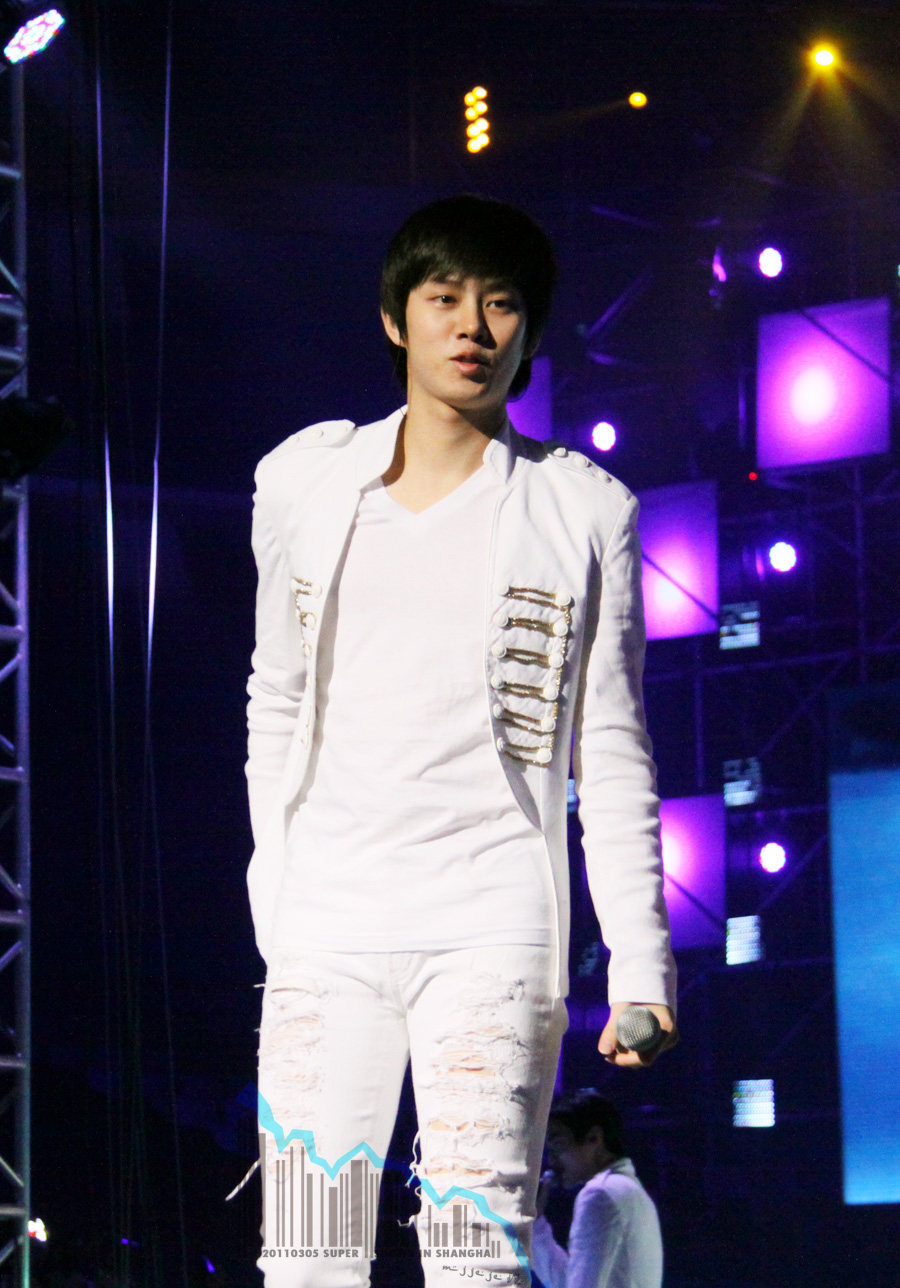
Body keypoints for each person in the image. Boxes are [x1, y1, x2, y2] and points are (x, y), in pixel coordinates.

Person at [244, 193, 677, 1288]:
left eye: (501, 304)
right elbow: (275, 699)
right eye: (444, 299)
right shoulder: (303, 483)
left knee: (477, 1258)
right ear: (397, 317)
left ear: (529, 331)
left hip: (490, 918)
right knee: (305, 1256)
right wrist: (277, 895)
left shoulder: (583, 510)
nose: (472, 328)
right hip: (326, 924)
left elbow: (612, 749)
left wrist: (641, 961)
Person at [531, 1091, 663, 1288]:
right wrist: (536, 1223)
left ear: (594, 1138)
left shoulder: (600, 1194)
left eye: (558, 1146)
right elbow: (568, 1282)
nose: (552, 1161)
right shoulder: (628, 1190)